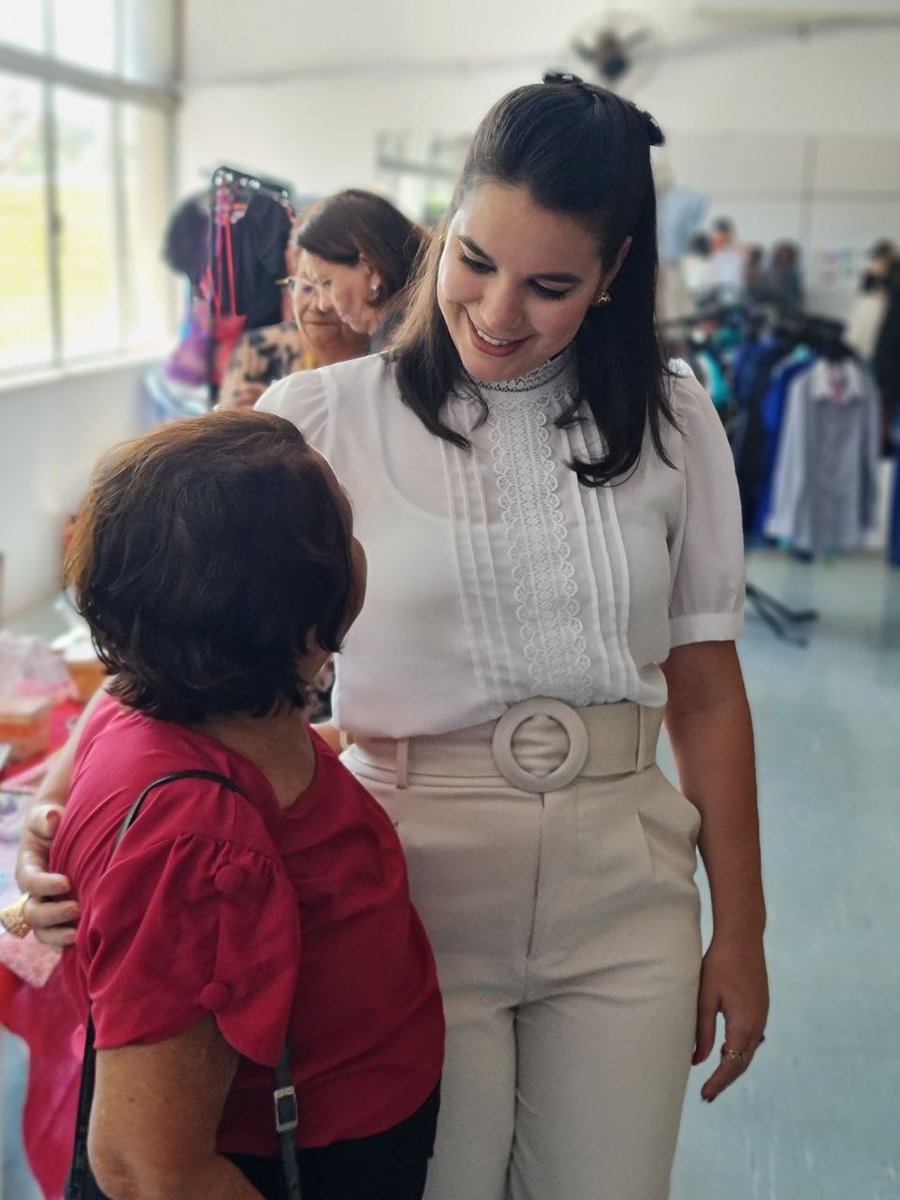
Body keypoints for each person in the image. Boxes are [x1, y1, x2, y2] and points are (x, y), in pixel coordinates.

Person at [17, 75, 767, 1200]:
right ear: (443, 225)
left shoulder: (673, 420)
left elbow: (705, 692)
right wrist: (61, 806)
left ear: (615, 273)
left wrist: (742, 929)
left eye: (551, 285)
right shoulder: (323, 416)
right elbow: (183, 635)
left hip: (628, 885)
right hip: (405, 891)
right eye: (475, 259)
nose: (498, 312)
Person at [19, 412, 444, 1199]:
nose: (358, 550)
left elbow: (79, 758)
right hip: (301, 1160)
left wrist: (41, 830)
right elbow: (149, 1167)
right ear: (302, 610)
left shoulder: (142, 698)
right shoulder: (197, 845)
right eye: (343, 532)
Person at [219, 226, 369, 411]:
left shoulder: (382, 360)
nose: (318, 306)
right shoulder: (259, 349)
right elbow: (225, 419)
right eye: (306, 287)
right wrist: (229, 415)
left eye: (329, 287)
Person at [295, 189, 425, 350]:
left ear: (371, 270)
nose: (323, 304)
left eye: (327, 283)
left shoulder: (401, 347)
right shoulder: (419, 325)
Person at [709, 215, 745, 303]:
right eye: (719, 233)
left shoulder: (737, 251)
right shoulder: (711, 253)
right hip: (714, 293)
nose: (722, 237)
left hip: (734, 293)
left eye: (724, 233)